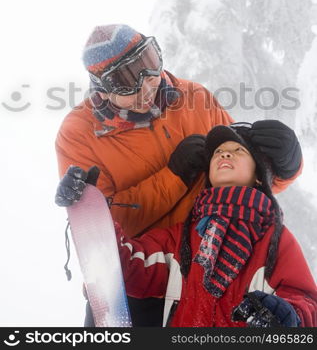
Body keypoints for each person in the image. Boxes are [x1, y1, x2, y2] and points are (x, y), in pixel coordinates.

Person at [55, 24, 303, 325]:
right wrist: (173, 178)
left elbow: (244, 177)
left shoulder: (196, 98)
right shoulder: (79, 134)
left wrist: (287, 165)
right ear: (103, 87)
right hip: (135, 280)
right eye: (126, 81)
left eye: (148, 66)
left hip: (211, 269)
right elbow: (102, 230)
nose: (147, 87)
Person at [105, 122, 317, 327]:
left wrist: (289, 317)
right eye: (218, 152)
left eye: (238, 150)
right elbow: (130, 266)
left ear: (259, 177)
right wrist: (98, 217)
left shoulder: (274, 240)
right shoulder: (182, 237)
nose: (224, 154)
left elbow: (305, 301)